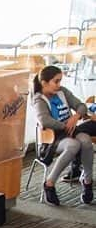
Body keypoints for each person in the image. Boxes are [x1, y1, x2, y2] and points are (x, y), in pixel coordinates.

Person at [30, 65, 94, 205]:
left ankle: (87, 180)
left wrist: (75, 116)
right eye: (56, 81)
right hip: (51, 139)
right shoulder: (38, 99)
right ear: (44, 83)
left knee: (86, 141)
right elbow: (44, 120)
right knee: (74, 144)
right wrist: (65, 126)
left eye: (60, 81)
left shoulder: (62, 92)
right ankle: (49, 183)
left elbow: (81, 105)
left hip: (68, 132)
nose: (59, 85)